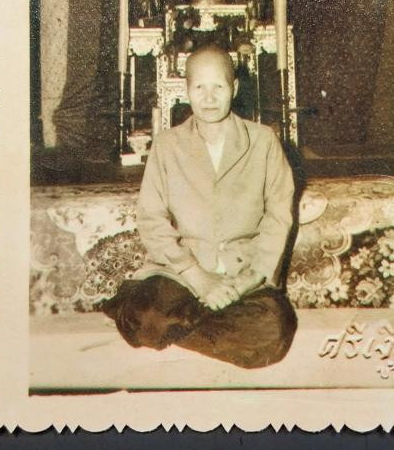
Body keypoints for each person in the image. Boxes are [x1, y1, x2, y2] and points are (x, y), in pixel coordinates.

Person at [103, 44, 297, 368]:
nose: (209, 98)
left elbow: (278, 217)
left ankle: (176, 327)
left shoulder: (263, 141)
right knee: (144, 315)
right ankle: (192, 323)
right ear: (186, 90)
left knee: (272, 330)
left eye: (218, 86)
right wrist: (199, 279)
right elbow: (151, 219)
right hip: (183, 273)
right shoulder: (167, 145)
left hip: (241, 275)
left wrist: (247, 280)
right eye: (199, 88)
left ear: (235, 87)